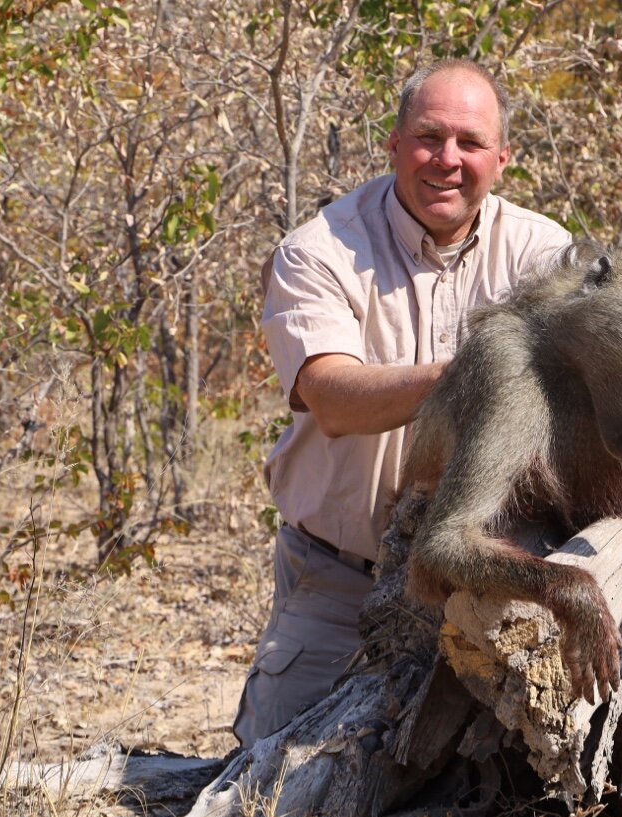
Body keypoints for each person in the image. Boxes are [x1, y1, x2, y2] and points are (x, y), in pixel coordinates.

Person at [234, 59, 572, 746]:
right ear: (393, 144)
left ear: (501, 159)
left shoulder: (544, 253)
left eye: (470, 143)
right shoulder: (320, 250)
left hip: (488, 587)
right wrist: (472, 371)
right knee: (268, 801)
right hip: (337, 586)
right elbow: (331, 398)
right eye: (428, 137)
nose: (447, 160)